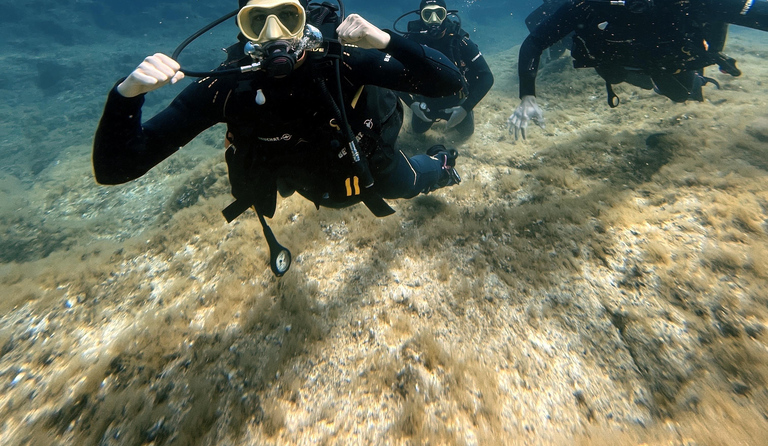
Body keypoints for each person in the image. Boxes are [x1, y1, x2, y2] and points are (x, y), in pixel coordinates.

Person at [93, 0, 464, 276]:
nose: (274, 35)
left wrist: (385, 41)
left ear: (303, 19)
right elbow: (117, 167)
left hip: (366, 165)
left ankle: (442, 164)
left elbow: (449, 84)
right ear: (243, 29)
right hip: (298, 176)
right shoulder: (226, 86)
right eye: (257, 20)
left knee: (407, 184)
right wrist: (126, 95)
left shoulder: (342, 60)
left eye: (287, 16)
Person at [508, 0, 768, 140]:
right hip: (623, 62)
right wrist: (527, 96)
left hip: (669, 61)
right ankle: (654, 81)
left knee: (681, 93)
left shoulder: (692, 3)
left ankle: (689, 81)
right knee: (614, 73)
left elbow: (757, 13)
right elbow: (535, 41)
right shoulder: (593, 4)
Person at [395, 0, 494, 137]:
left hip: (456, 102)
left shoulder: (459, 40)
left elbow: (486, 76)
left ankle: (466, 110)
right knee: (417, 130)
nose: (434, 20)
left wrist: (465, 108)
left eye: (439, 13)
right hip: (425, 102)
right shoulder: (411, 40)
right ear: (421, 17)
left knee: (466, 133)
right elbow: (392, 74)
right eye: (428, 14)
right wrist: (412, 104)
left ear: (446, 15)